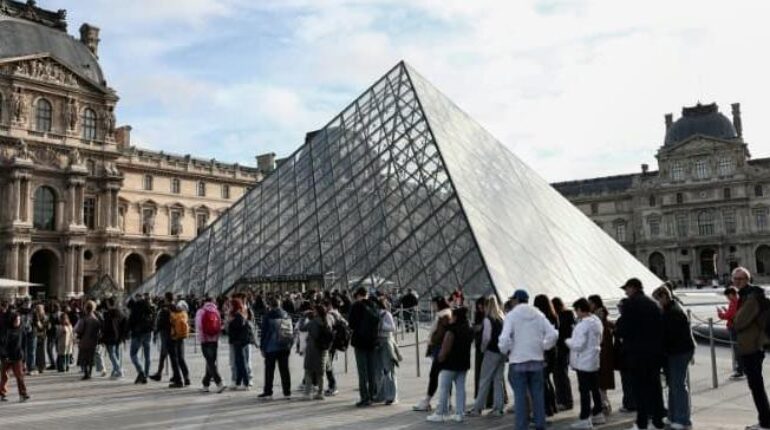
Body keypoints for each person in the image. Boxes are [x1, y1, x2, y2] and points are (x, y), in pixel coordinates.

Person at [498, 289, 559, 430]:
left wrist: (506, 350)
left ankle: (521, 426)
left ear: (516, 300)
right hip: (537, 360)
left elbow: (504, 339)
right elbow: (553, 334)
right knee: (537, 395)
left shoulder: (512, 316)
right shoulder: (538, 314)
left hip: (518, 361)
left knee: (520, 397)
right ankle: (540, 424)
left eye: (513, 300)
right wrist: (543, 346)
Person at [615, 278, 666, 430]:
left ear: (633, 288)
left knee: (639, 389)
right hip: (654, 353)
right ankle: (657, 421)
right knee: (655, 387)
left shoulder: (630, 304)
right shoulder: (653, 303)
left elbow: (623, 329)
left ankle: (642, 422)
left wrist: (617, 331)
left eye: (626, 289)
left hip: (636, 354)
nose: (626, 292)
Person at [732, 267, 770, 430]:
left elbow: (739, 322)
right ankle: (765, 420)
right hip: (752, 344)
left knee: (756, 386)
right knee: (756, 385)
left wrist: (734, 318)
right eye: (735, 279)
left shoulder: (751, 297)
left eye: (740, 279)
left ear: (747, 280)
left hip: (752, 346)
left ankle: (766, 422)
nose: (737, 282)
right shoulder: (747, 295)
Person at [652, 285, 694, 430]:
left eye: (657, 299)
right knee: (674, 385)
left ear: (664, 296)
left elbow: (669, 336)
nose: (657, 303)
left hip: (678, 352)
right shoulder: (671, 309)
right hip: (677, 351)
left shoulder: (672, 312)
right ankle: (673, 416)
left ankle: (683, 420)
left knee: (678, 385)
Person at [427, 306, 474, 423]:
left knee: (444, 388)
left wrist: (440, 358)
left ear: (456, 317)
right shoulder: (468, 329)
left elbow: (445, 348)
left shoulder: (451, 330)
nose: (451, 318)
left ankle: (440, 413)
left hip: (450, 364)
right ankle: (460, 413)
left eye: (452, 316)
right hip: (463, 363)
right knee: (461, 388)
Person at [566, 298, 605, 429]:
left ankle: (585, 418)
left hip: (583, 361)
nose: (576, 313)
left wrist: (568, 341)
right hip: (593, 360)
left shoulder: (583, 325)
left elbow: (578, 345)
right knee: (594, 388)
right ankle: (598, 413)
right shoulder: (596, 321)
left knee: (584, 391)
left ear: (580, 309)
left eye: (576, 310)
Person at [468, 295, 506, 417]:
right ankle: (498, 408)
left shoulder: (488, 319)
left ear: (487, 306)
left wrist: (483, 349)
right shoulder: (502, 318)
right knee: (498, 380)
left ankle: (477, 408)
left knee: (484, 380)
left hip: (491, 352)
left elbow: (486, 337)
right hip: (502, 352)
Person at [413, 296, 453, 412]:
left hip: (440, 349)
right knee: (444, 375)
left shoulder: (444, 316)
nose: (432, 306)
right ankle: (446, 401)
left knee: (434, 375)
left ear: (438, 304)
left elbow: (441, 333)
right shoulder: (445, 314)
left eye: (434, 304)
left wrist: (432, 340)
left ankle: (428, 401)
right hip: (441, 348)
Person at [349, 287, 380, 407]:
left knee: (362, 372)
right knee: (372, 369)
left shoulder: (356, 306)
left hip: (360, 342)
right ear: (366, 294)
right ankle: (373, 395)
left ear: (358, 295)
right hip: (372, 341)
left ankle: (365, 397)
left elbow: (351, 324)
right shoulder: (374, 305)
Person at [258, 297, 293, 399]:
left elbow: (264, 333)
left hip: (271, 347)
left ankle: (268, 392)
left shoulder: (268, 316)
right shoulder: (286, 314)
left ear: (270, 305)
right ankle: (287, 392)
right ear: (279, 304)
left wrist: (262, 347)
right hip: (284, 346)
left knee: (269, 371)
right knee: (285, 370)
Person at [587, 294, 615, 416]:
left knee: (600, 383)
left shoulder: (598, 318)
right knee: (601, 383)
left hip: (601, 355)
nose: (588, 305)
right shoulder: (602, 318)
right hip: (603, 354)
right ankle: (604, 405)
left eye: (590, 303)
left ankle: (604, 406)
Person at [534, 294, 559, 417]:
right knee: (546, 379)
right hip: (553, 351)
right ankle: (553, 406)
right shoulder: (554, 317)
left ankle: (547, 408)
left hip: (544, 352)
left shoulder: (541, 319)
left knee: (543, 381)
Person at [301, 304, 333, 400]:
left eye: (314, 311)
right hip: (323, 350)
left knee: (308, 371)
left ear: (317, 312)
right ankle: (320, 393)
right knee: (321, 373)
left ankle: (307, 393)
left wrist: (304, 317)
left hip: (312, 349)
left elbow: (302, 328)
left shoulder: (313, 322)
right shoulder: (328, 321)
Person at [195, 297, 226, 393]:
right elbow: (219, 325)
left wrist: (202, 337)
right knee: (211, 362)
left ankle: (219, 383)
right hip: (214, 340)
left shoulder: (201, 311)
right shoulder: (216, 311)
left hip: (205, 340)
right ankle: (205, 384)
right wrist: (216, 337)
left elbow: (199, 326)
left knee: (210, 362)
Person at [0, 311, 30, 402]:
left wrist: (24, 358)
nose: (18, 322)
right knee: (5, 376)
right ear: (12, 320)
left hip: (17, 356)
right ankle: (2, 393)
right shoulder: (6, 330)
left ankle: (23, 394)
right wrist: (4, 355)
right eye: (16, 320)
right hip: (7, 357)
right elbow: (2, 344)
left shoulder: (21, 330)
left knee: (20, 376)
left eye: (19, 320)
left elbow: (24, 344)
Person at [613, 299, 636, 414]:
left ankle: (629, 404)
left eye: (620, 306)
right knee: (631, 381)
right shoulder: (634, 319)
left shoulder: (623, 320)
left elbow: (620, 335)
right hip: (632, 356)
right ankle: (633, 403)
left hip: (625, 356)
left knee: (627, 381)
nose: (619, 308)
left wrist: (615, 331)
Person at [553, 296, 576, 411]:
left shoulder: (560, 316)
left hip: (560, 348)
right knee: (562, 375)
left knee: (559, 376)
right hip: (565, 348)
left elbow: (559, 332)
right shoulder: (569, 315)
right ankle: (566, 401)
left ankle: (563, 401)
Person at [376, 296, 400, 404]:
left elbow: (393, 327)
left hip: (386, 342)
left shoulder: (386, 314)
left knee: (388, 369)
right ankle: (382, 394)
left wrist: (381, 324)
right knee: (380, 371)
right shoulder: (376, 314)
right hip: (378, 342)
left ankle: (392, 396)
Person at [717, 286, 743, 379]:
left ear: (732, 294)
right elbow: (732, 314)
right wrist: (726, 311)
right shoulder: (739, 301)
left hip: (734, 328)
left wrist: (720, 313)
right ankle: (743, 369)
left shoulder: (734, 302)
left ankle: (740, 370)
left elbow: (728, 315)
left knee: (737, 349)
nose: (727, 298)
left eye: (728, 296)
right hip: (740, 327)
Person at [127, 294, 154, 384]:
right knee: (147, 355)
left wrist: (128, 332)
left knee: (133, 354)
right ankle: (145, 375)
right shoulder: (148, 307)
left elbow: (130, 322)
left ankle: (141, 371)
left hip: (137, 334)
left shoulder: (135, 308)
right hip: (148, 333)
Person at [75, 301, 103, 380]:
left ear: (86, 308)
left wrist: (77, 335)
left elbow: (79, 329)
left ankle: (86, 373)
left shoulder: (84, 318)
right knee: (90, 358)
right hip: (93, 340)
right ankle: (89, 373)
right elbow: (99, 330)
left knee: (84, 357)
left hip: (84, 340)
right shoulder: (96, 319)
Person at [101, 298, 128, 379]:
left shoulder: (109, 314)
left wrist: (103, 338)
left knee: (112, 354)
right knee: (116, 354)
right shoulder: (120, 312)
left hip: (111, 336)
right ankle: (115, 371)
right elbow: (124, 324)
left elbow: (107, 327)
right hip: (118, 336)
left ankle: (119, 370)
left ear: (109, 304)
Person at [228, 298, 251, 390]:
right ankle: (238, 382)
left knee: (241, 363)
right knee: (239, 362)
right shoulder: (242, 315)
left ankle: (246, 382)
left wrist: (230, 322)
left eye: (231, 305)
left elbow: (234, 330)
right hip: (242, 342)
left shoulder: (237, 317)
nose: (229, 307)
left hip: (238, 342)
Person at [149, 293, 173, 382]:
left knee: (164, 355)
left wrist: (155, 333)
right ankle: (180, 376)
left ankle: (159, 374)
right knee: (172, 356)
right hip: (174, 334)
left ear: (166, 298)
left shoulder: (164, 309)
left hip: (165, 334)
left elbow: (160, 323)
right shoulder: (175, 307)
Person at [168, 301, 190, 388]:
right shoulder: (184, 314)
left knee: (174, 359)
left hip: (174, 337)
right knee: (181, 358)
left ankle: (178, 381)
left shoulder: (172, 315)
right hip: (181, 337)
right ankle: (187, 377)